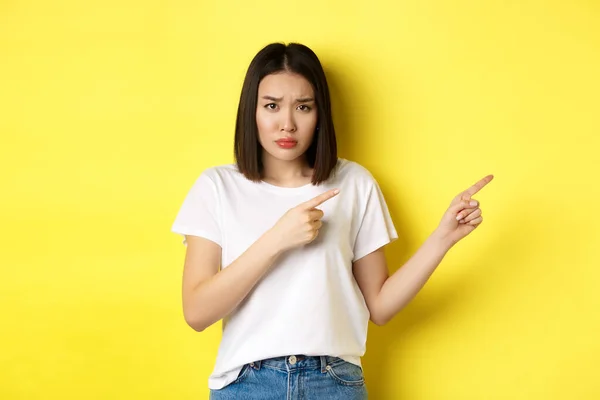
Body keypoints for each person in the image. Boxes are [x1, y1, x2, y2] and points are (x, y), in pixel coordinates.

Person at [171, 42, 493, 400]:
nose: (287, 123)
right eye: (272, 106)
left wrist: (443, 238)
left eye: (303, 107)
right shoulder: (217, 187)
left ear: (319, 113)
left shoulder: (354, 183)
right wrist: (278, 238)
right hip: (248, 384)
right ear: (252, 111)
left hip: (334, 383)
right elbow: (197, 312)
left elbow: (380, 307)